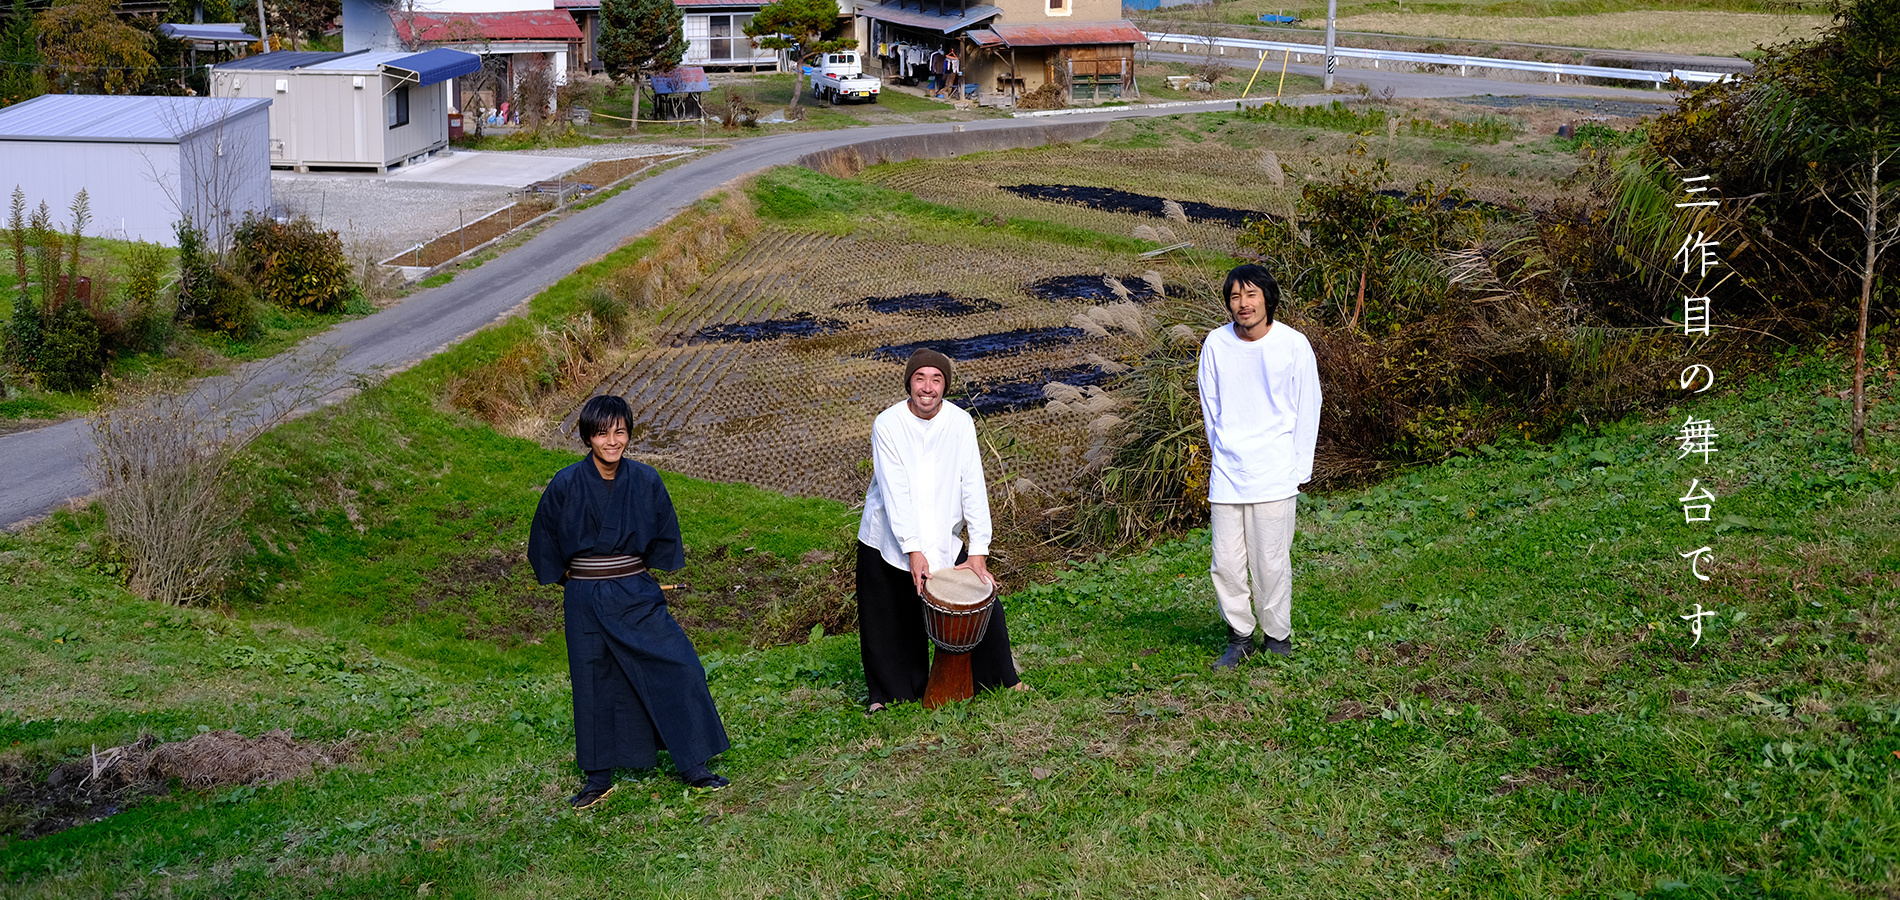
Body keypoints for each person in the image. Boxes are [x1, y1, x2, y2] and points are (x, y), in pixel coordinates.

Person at [528, 395, 731, 807]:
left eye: (619, 432)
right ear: (588, 437)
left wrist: (632, 572)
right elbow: (543, 542)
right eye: (602, 433)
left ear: (629, 434)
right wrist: (579, 577)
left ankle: (693, 764)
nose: (612, 440)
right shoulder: (565, 484)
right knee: (593, 680)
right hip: (585, 596)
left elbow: (663, 534)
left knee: (680, 665)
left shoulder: (646, 480)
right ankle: (597, 778)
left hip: (636, 592)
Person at [856, 348, 1026, 712]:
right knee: (888, 617)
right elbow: (895, 492)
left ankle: (1001, 679)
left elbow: (972, 485)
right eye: (920, 379)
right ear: (909, 383)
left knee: (985, 603)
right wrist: (913, 549)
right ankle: (887, 695)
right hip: (887, 537)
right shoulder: (887, 425)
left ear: (945, 386)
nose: (928, 387)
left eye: (936, 379)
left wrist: (978, 550)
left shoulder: (960, 422)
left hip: (943, 534)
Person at [1198, 264, 1322, 668]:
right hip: (1229, 474)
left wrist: (1296, 468)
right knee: (1227, 563)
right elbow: (1210, 409)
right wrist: (1226, 456)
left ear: (1267, 298)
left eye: (1250, 295)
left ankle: (1277, 635)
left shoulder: (1293, 344)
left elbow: (1309, 407)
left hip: (1275, 472)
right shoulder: (1216, 344)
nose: (1243, 304)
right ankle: (1240, 636)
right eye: (1235, 297)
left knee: (1271, 561)